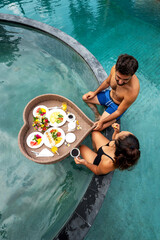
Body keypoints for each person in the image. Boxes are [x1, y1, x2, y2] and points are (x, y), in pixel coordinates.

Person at [82, 54, 140, 131]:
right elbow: (107, 82)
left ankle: (110, 119)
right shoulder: (114, 68)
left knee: (97, 128)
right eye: (118, 77)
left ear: (132, 75)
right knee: (85, 98)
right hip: (108, 96)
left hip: (116, 107)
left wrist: (102, 122)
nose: (120, 82)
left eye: (125, 79)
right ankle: (97, 115)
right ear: (116, 70)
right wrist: (95, 93)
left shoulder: (133, 90)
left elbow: (119, 111)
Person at [74, 123, 140, 175]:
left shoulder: (108, 163)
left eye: (120, 133)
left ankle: (94, 155)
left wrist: (85, 163)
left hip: (100, 162)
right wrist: (116, 132)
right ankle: (95, 151)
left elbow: (97, 171)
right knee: (94, 133)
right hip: (107, 148)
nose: (122, 132)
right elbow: (114, 139)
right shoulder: (129, 141)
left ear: (116, 146)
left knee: (81, 148)